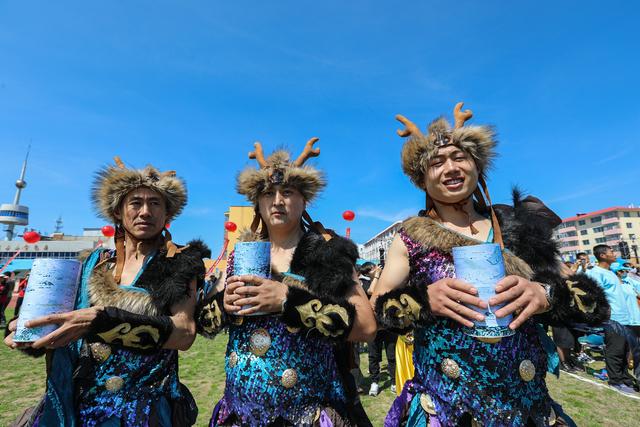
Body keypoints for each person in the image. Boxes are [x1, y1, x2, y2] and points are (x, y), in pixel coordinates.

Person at [372, 102, 610, 426]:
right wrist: (423, 300)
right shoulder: (409, 239)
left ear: (477, 165)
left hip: (528, 407)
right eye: (437, 162)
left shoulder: (517, 226)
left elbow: (590, 305)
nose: (451, 168)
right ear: (421, 179)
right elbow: (376, 309)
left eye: (460, 157)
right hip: (444, 410)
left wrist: (545, 294)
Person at [4, 157, 209, 425]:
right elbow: (62, 321)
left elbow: (184, 334)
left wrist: (103, 321)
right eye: (135, 203)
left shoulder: (180, 262)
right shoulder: (92, 262)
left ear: (167, 215)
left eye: (155, 203)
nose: (145, 211)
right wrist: (30, 330)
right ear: (118, 212)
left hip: (141, 412)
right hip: (79, 404)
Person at [197, 139, 376, 426]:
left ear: (304, 200)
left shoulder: (328, 251)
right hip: (241, 411)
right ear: (258, 202)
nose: (277, 201)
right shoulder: (240, 255)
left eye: (288, 192)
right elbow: (203, 324)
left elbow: (366, 327)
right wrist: (223, 304)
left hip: (309, 412)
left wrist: (287, 301)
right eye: (268, 193)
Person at [586, 245, 640, 393]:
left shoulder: (610, 272)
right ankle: (615, 381)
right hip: (613, 318)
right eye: (611, 252)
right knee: (615, 350)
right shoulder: (596, 272)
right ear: (602, 255)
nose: (614, 254)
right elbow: (595, 295)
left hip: (625, 318)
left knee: (624, 351)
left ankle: (625, 379)